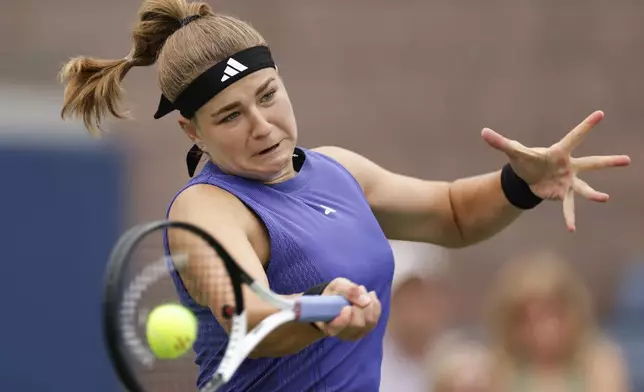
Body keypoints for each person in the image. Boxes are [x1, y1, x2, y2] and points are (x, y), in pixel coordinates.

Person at [58, 0, 630, 390]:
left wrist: (522, 184)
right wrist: (322, 311)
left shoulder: (339, 171)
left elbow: (454, 215)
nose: (261, 124)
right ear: (193, 132)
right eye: (230, 114)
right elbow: (248, 314)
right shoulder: (204, 208)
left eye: (269, 94)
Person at [485, 251, 631, 392]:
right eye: (529, 320)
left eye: (552, 315)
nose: (542, 330)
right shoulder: (498, 371)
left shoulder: (600, 364)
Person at [380, 240, 452, 392]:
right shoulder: (362, 365)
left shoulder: (460, 368)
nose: (418, 310)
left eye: (427, 295)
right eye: (410, 295)